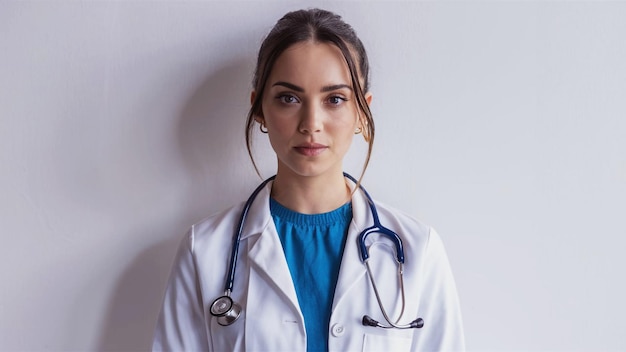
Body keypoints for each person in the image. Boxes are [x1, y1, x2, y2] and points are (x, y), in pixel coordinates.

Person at [153, 8, 464, 351]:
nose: (311, 123)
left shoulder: (418, 251)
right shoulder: (205, 251)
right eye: (289, 98)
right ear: (259, 109)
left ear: (362, 112)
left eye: (335, 99)